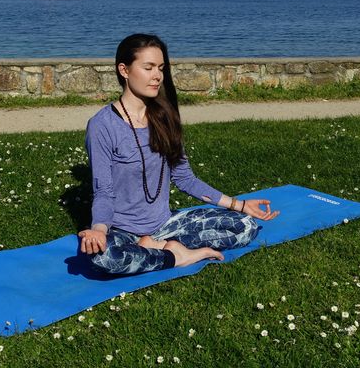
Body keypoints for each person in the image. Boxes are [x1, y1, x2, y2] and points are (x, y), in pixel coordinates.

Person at [78, 33, 279, 275]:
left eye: (161, 68)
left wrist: (240, 204)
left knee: (246, 226)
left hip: (166, 224)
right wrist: (99, 229)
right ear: (124, 70)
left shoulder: (164, 116)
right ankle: (177, 255)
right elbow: (104, 191)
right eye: (148, 67)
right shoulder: (102, 125)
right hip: (123, 231)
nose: (157, 76)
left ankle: (158, 248)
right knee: (103, 258)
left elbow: (184, 178)